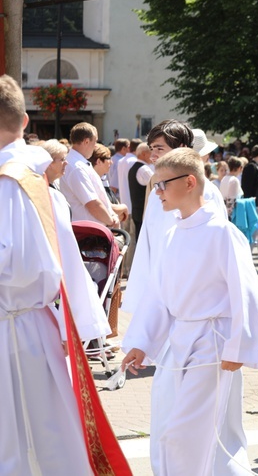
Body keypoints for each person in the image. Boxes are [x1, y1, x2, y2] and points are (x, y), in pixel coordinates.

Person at [121, 148, 258, 475]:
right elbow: (160, 296)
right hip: (179, 341)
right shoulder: (173, 233)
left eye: (162, 185)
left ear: (190, 182)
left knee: (186, 433)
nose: (156, 192)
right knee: (168, 426)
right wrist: (142, 342)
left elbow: (245, 293)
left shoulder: (223, 233)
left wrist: (238, 346)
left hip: (212, 344)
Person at [0, 74, 113, 475]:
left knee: (23, 442)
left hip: (14, 330)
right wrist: (78, 327)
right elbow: (68, 260)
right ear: (27, 122)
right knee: (51, 439)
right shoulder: (38, 180)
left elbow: (16, 265)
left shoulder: (10, 181)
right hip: (35, 327)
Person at [120, 119, 227, 473]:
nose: (153, 155)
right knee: (166, 407)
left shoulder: (203, 195)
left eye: (161, 149)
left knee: (196, 417)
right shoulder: (157, 189)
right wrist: (144, 325)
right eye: (151, 149)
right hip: (164, 303)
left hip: (199, 316)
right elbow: (153, 250)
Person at [59, 122, 122, 228]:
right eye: (95, 141)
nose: (95, 146)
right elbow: (93, 204)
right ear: (86, 141)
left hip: (92, 231)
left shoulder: (79, 163)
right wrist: (111, 221)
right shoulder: (76, 167)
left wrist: (111, 215)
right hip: (89, 233)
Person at [128, 142, 154, 239]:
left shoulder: (133, 168)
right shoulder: (144, 169)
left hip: (137, 211)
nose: (153, 155)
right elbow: (156, 187)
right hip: (143, 211)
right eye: (151, 152)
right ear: (144, 154)